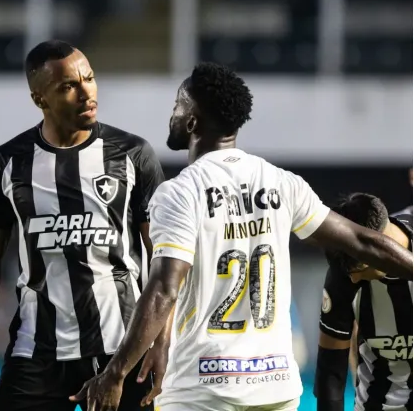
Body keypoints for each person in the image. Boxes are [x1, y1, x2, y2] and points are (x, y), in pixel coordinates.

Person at [71, 62, 413, 411]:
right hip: (275, 388)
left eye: (177, 106)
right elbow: (364, 242)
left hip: (203, 388)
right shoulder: (283, 183)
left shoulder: (179, 193)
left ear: (192, 121)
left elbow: (164, 288)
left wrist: (114, 373)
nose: (172, 114)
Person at [0, 40, 167, 411]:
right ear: (40, 98)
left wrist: (162, 343)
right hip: (36, 350)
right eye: (68, 86)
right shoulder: (8, 162)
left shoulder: (133, 154)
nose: (86, 91)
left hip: (122, 349)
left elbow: (163, 262)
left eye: (89, 78)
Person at [314, 193, 412, 411]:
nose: (355, 279)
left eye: (359, 268)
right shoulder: (344, 273)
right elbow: (331, 372)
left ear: (379, 245)